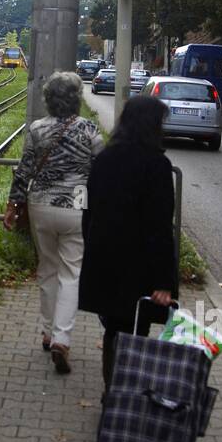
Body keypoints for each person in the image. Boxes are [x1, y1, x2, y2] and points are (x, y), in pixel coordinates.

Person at [3, 71, 105, 375]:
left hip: (42, 203)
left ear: (48, 99)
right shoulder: (89, 130)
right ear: (76, 99)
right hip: (77, 202)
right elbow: (101, 170)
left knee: (46, 268)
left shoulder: (36, 129)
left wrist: (12, 205)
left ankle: (47, 333)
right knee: (71, 272)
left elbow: (24, 171)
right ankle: (62, 337)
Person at [78, 95, 177, 396]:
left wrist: (92, 246)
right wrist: (163, 281)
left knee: (113, 328)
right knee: (137, 331)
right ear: (150, 126)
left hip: (105, 260)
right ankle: (127, 398)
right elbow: (160, 226)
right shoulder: (157, 166)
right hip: (140, 266)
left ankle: (113, 393)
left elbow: (88, 208)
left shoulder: (105, 158)